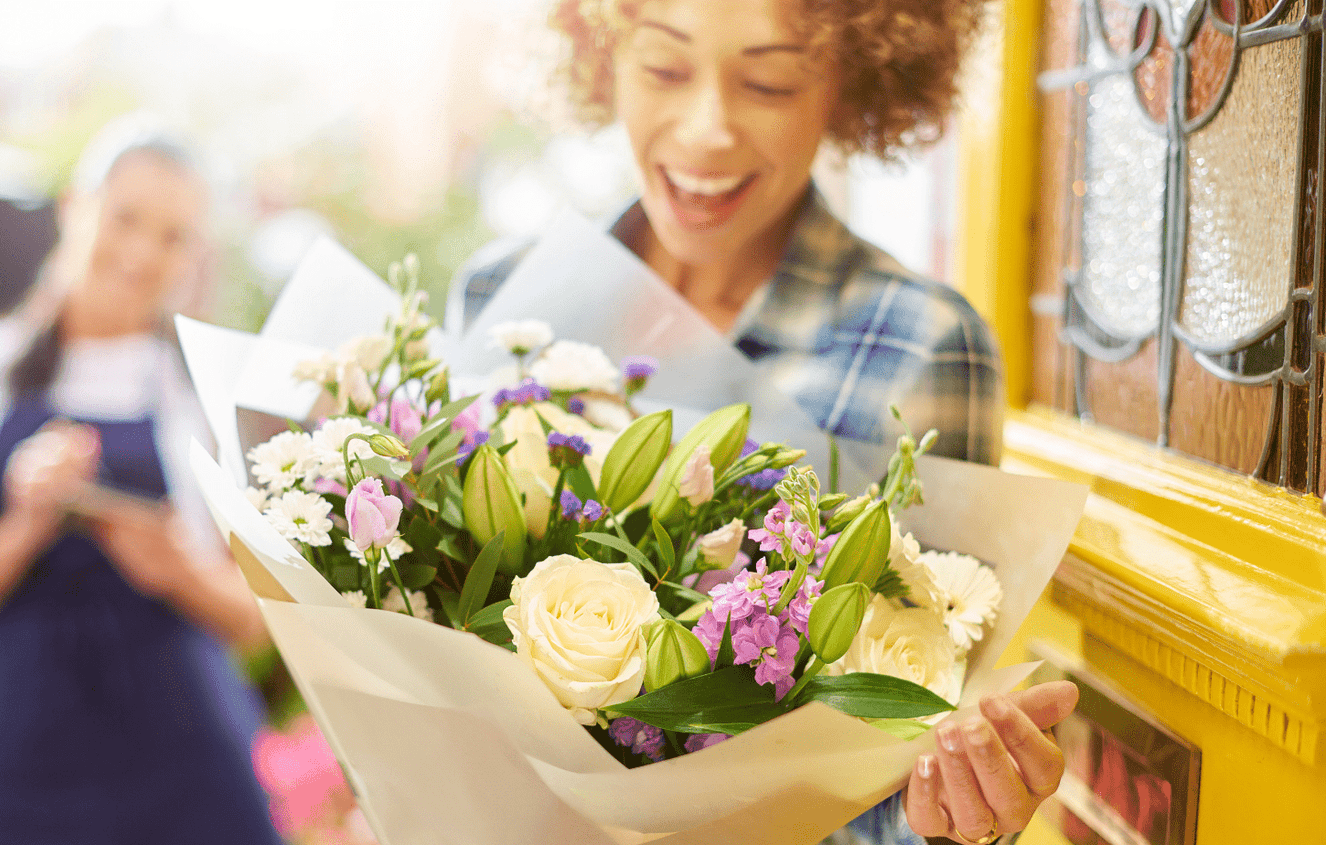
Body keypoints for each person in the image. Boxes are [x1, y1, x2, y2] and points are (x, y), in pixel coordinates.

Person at [448, 0, 1075, 842]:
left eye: (770, 83)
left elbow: (900, 762)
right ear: (599, 57)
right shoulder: (502, 298)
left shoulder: (919, 346)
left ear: (853, 84)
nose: (708, 130)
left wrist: (957, 817)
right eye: (665, 69)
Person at [0, 119, 285, 845]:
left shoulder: (203, 392)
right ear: (77, 206)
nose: (141, 252)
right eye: (126, 218)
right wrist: (25, 528)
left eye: (172, 236)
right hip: (30, 755)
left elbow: (253, 620)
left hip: (191, 759)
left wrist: (175, 570)